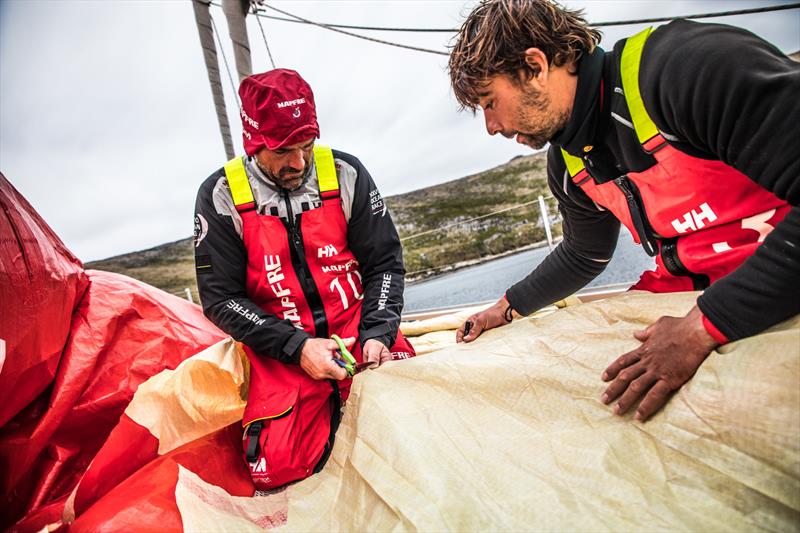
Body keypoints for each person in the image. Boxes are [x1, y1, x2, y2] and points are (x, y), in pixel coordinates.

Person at [448, 0, 799, 421]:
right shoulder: (568, 161)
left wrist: (703, 326)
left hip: (768, 272)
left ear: (536, 66)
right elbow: (585, 254)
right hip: (684, 288)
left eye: (489, 102)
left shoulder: (684, 69)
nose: (492, 127)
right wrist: (504, 308)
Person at [193, 69, 415, 490]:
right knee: (277, 467)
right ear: (254, 143)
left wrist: (378, 333)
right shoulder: (221, 194)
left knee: (415, 422)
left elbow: (385, 263)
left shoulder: (346, 172)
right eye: (282, 151)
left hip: (358, 333)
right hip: (281, 348)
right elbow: (221, 299)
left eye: (306, 146)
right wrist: (298, 348)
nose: (298, 163)